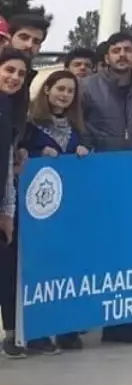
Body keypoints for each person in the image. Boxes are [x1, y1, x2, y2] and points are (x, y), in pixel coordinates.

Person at [80, 32, 132, 344]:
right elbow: (77, 124)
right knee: (98, 250)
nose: (122, 55)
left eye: (128, 50)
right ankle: (85, 320)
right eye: (116, 50)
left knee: (130, 253)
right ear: (107, 56)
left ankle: (124, 325)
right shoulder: (87, 87)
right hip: (97, 178)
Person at [13, 69, 90, 353]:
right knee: (39, 269)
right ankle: (37, 331)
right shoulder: (30, 124)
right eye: (60, 89)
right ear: (47, 90)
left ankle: (67, 328)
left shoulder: (78, 127)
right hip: (36, 213)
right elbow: (18, 153)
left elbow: (88, 154)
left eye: (70, 91)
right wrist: (33, 152)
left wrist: (85, 149)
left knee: (68, 268)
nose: (65, 95)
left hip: (69, 212)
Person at [0, 48, 32, 359]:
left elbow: (7, 163)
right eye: (9, 70)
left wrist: (7, 212)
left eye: (21, 74)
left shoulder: (11, 111)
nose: (14, 78)